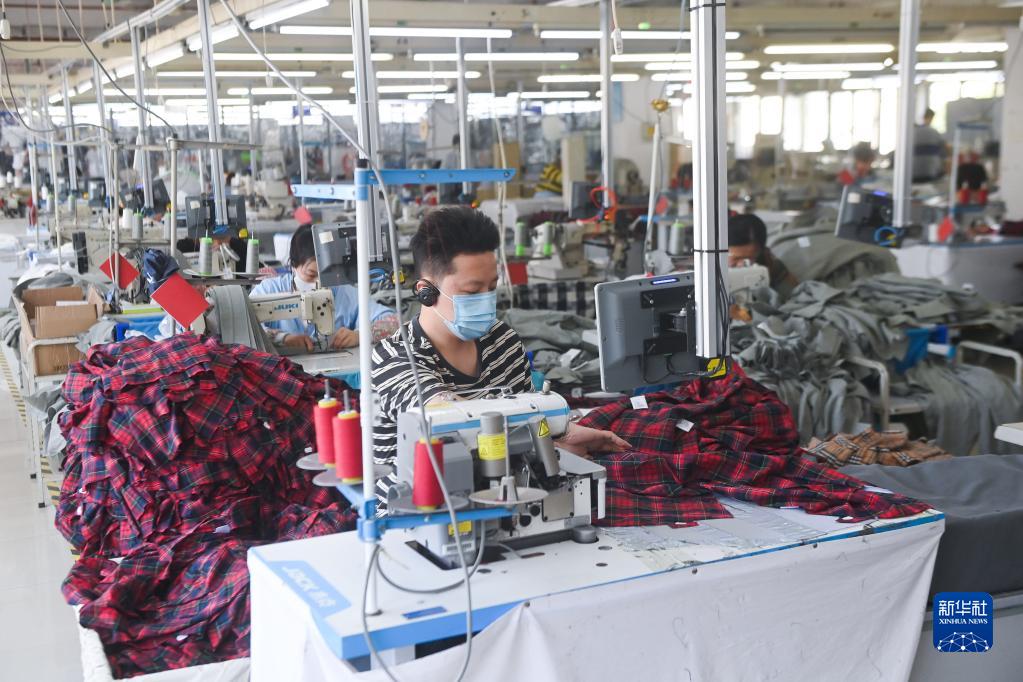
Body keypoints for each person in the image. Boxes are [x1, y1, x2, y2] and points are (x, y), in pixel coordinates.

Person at [371, 206, 631, 508]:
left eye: (491, 288)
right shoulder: (394, 357)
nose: (486, 301)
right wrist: (552, 441)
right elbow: (449, 422)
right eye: (472, 292)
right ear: (426, 292)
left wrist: (562, 432)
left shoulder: (501, 340)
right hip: (420, 508)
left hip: (504, 495)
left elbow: (530, 419)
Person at [250, 224, 399, 351]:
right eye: (311, 274)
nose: (318, 283)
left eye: (325, 275)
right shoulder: (269, 290)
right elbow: (246, 326)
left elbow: (395, 321)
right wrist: (282, 338)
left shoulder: (343, 292)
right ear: (293, 265)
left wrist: (361, 335)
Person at [728, 213, 799, 299]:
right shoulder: (714, 266)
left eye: (750, 259)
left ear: (762, 251)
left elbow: (795, 296)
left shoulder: (769, 263)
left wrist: (766, 278)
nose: (741, 264)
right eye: (736, 258)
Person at [913, 108, 947, 183]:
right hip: (930, 173)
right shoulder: (935, 132)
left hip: (913, 174)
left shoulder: (913, 131)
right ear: (931, 118)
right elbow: (945, 150)